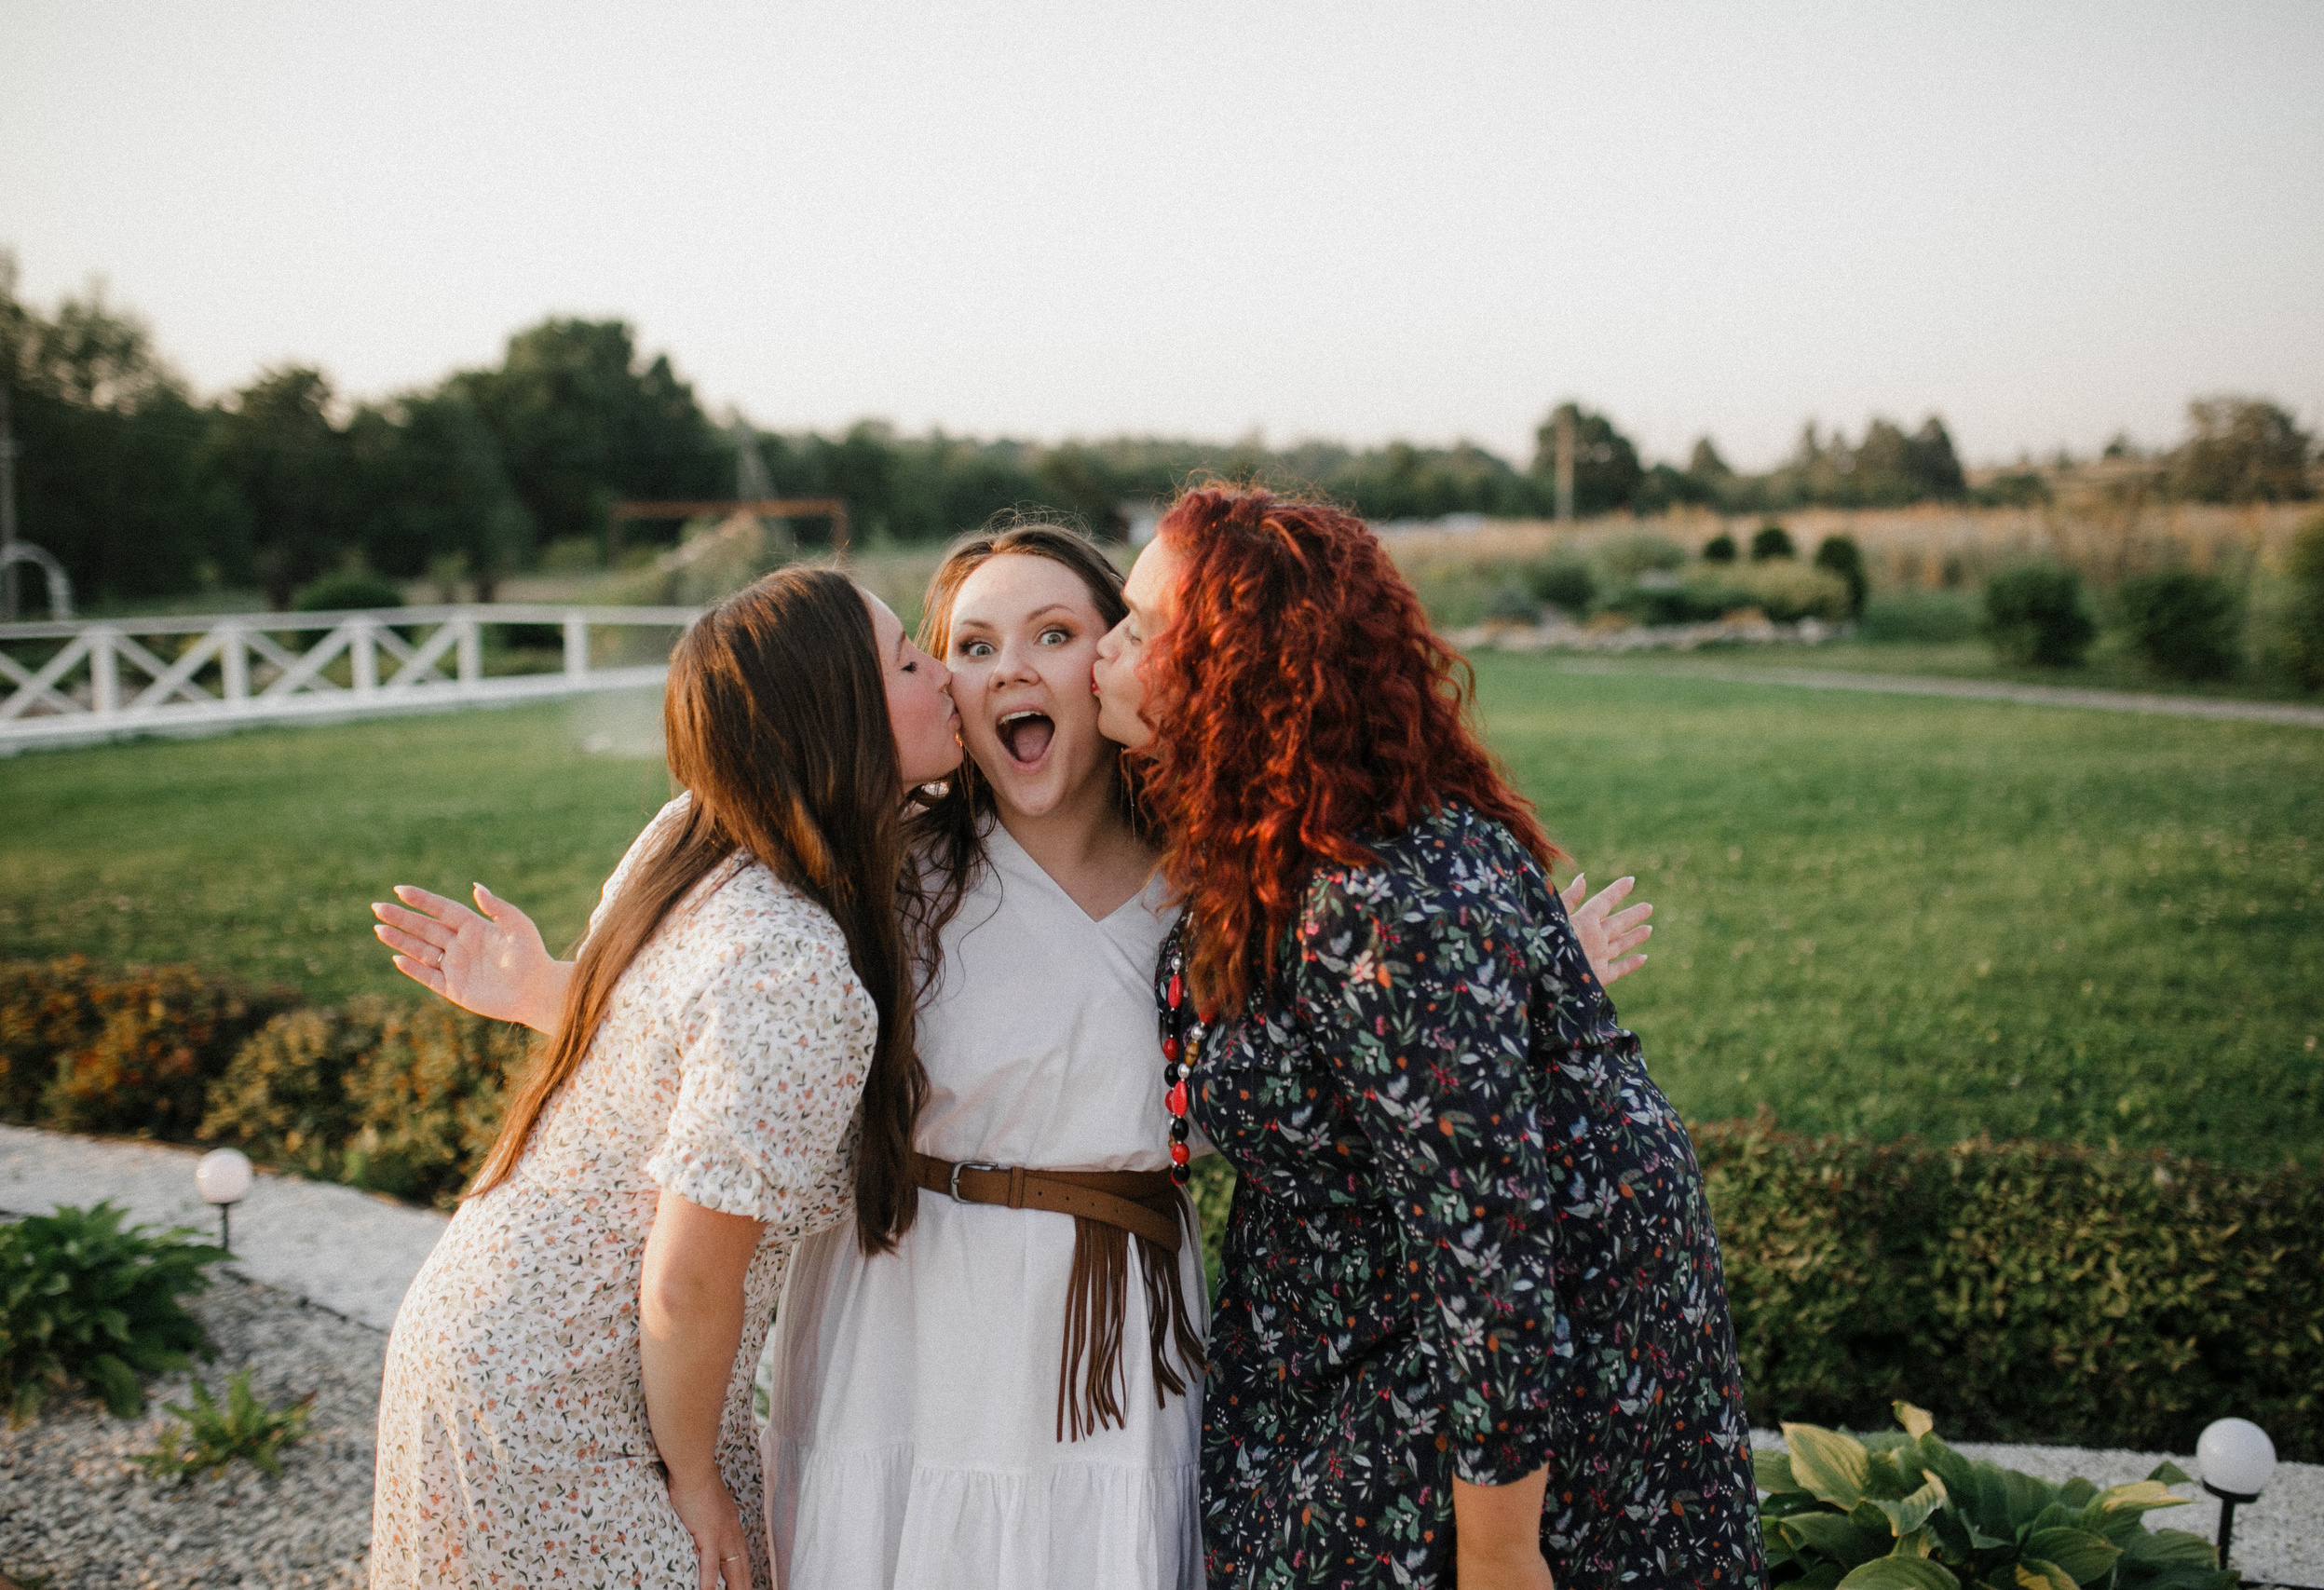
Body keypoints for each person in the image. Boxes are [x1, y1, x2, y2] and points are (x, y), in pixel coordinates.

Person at [1091, 487, 1765, 1590]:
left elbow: (1486, 1248)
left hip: (1474, 1428)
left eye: (1142, 627)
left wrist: (1500, 1555)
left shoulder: (1381, 895)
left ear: (1238, 668)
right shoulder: (1288, 851)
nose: (1106, 651)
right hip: (1373, 1370)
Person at [363, 568, 962, 1590]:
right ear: (840, 724)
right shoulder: (796, 970)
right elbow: (686, 1287)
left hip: (483, 1338)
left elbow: (660, 1050)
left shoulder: (693, 836)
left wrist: (540, 992)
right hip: (566, 1397)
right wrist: (694, 1481)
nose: (942, 671)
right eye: (907, 660)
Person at [762, 523, 1207, 1590]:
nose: (1009, 667)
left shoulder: (1206, 873)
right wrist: (550, 994)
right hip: (913, 1303)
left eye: (1052, 633)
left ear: (1114, 657)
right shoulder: (891, 868)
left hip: (1118, 1326)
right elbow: (734, 1025)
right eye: (971, 646)